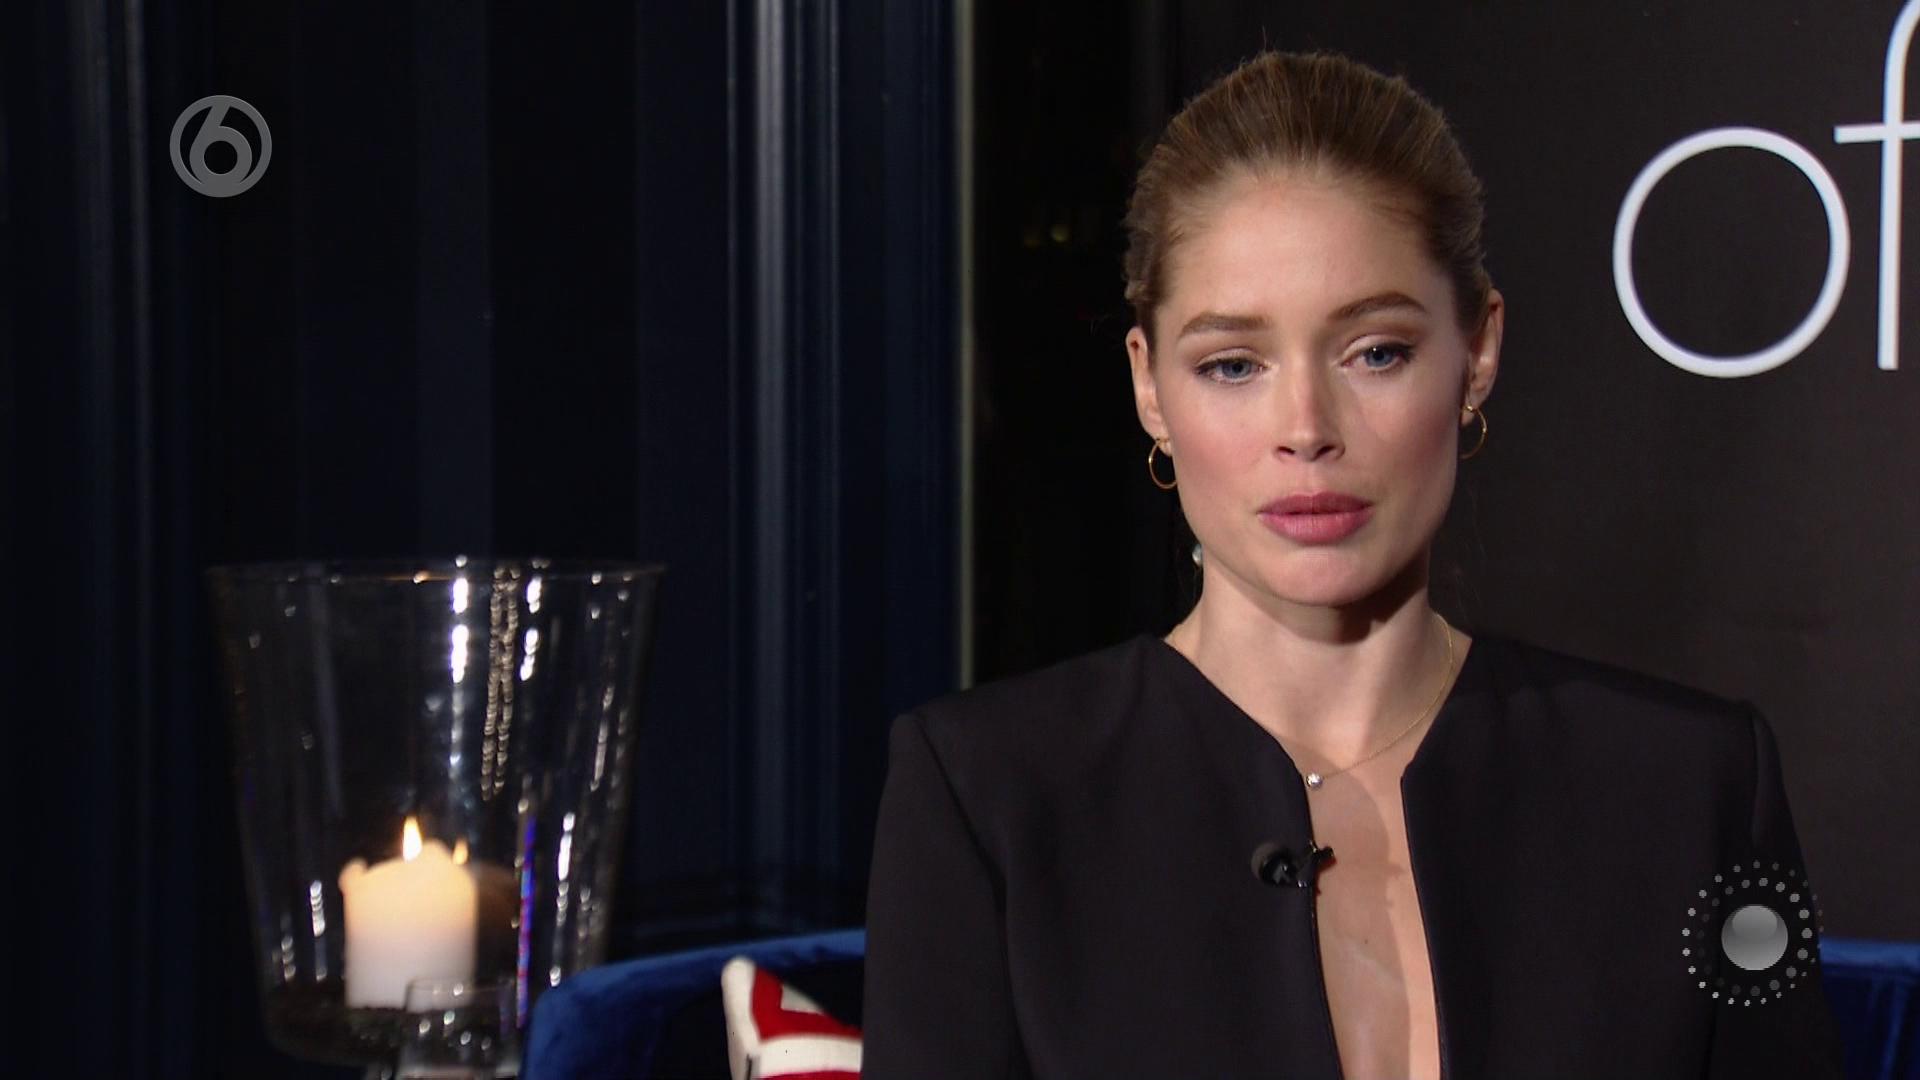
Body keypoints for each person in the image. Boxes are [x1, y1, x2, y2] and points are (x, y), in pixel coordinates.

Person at [861, 49, 1845, 1079]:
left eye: (1376, 352)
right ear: (1150, 388)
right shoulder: (989, 799)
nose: (1306, 428)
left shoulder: (1695, 788)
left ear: (1478, 352)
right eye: (1231, 364)